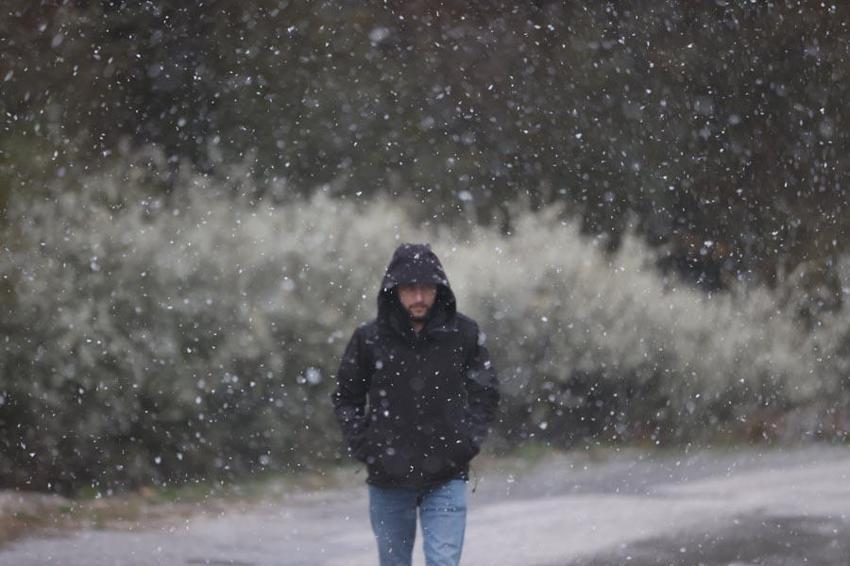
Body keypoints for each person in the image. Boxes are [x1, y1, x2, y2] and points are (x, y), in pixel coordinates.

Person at [332, 243, 500, 566]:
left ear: (440, 289)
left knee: (443, 562)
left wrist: (466, 442)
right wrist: (367, 446)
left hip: (447, 476)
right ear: (394, 291)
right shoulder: (369, 339)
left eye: (427, 288)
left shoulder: (463, 334)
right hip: (388, 479)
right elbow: (346, 397)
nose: (419, 297)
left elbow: (486, 392)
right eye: (410, 288)